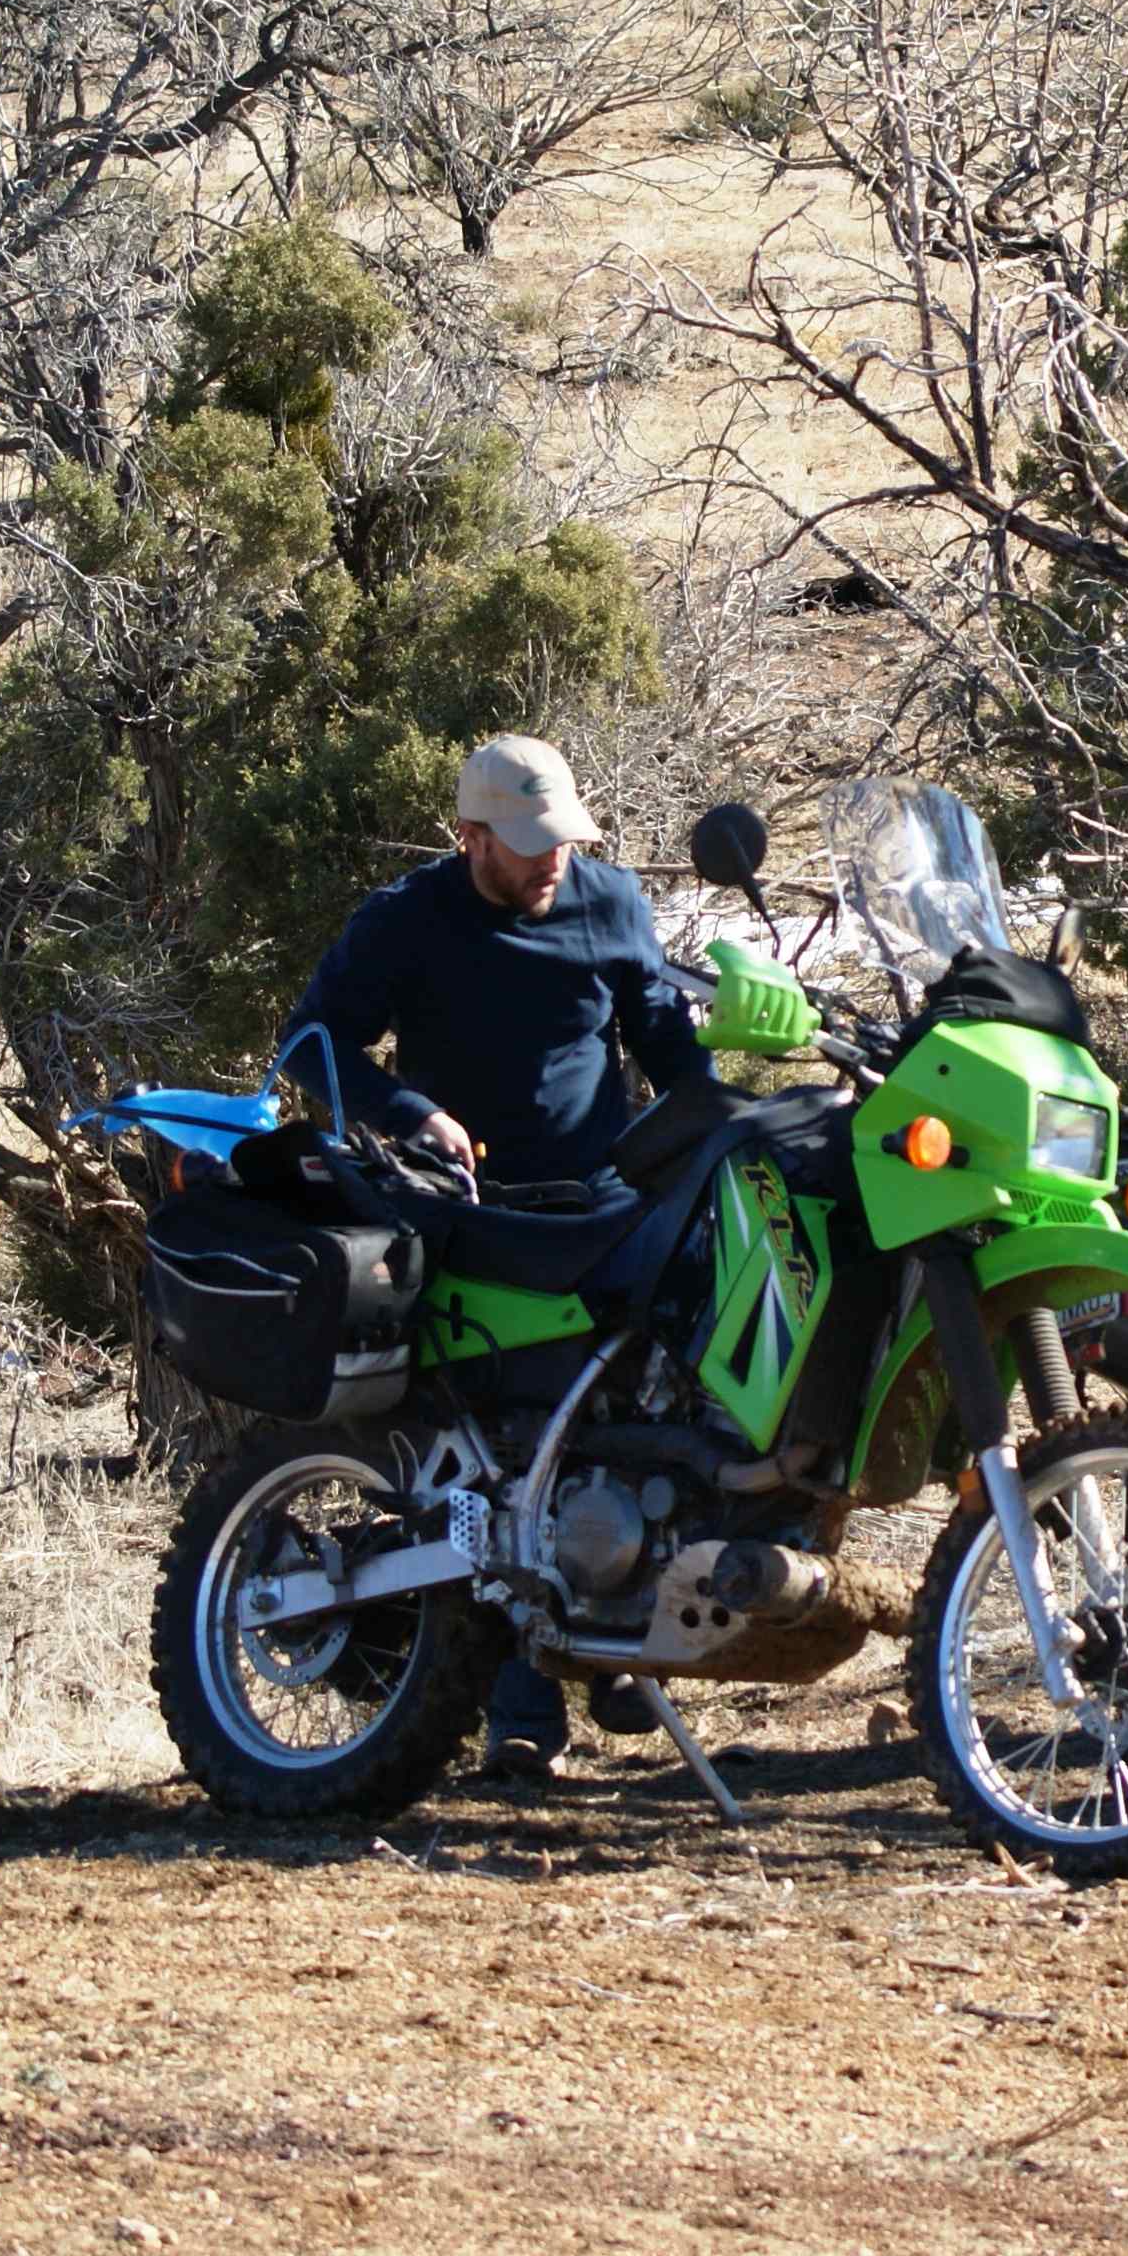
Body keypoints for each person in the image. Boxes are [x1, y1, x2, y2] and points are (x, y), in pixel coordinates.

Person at [288, 734, 711, 1781]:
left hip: (604, 1209)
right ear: (469, 836)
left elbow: (666, 1045)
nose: (550, 859)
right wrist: (410, 1112)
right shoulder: (408, 918)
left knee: (648, 1413)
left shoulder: (610, 902)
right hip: (472, 1218)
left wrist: (731, 1116)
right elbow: (314, 1044)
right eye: (527, 843)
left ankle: (622, 1634)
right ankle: (524, 1711)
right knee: (514, 1451)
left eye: (563, 838)